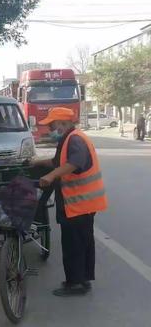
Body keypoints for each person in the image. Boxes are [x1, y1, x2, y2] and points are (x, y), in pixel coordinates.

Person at [33, 107, 108, 297]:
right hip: (79, 203)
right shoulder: (69, 138)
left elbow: (75, 162)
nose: (50, 129)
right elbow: (59, 161)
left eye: (52, 125)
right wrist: (38, 162)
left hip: (79, 203)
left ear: (62, 123)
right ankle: (82, 280)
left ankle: (76, 283)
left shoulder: (75, 138)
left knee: (74, 243)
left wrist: (50, 176)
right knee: (82, 242)